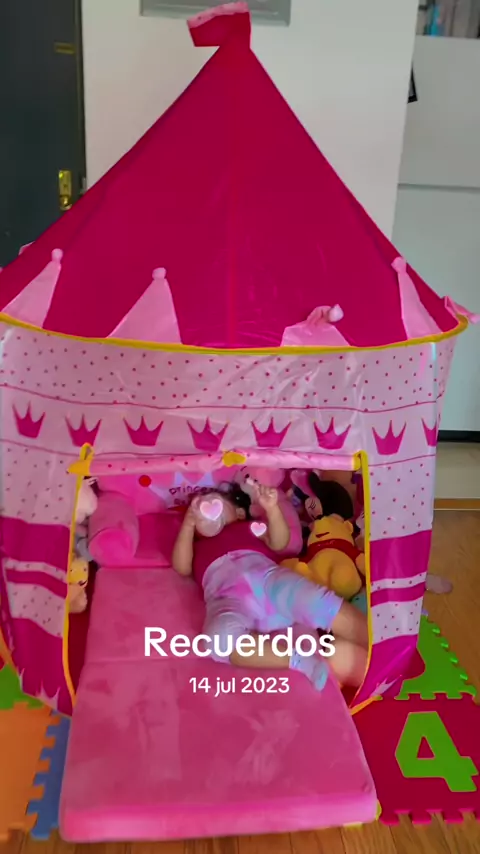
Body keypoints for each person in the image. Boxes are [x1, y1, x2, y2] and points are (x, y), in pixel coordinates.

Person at [172, 483, 368, 690]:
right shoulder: (198, 546)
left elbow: (280, 542)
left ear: (239, 513)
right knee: (218, 642)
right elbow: (181, 567)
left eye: (216, 502)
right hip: (227, 598)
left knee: (315, 599)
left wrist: (272, 509)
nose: (209, 508)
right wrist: (189, 524)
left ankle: (373, 639)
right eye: (201, 508)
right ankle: (299, 661)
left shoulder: (248, 528)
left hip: (267, 580)